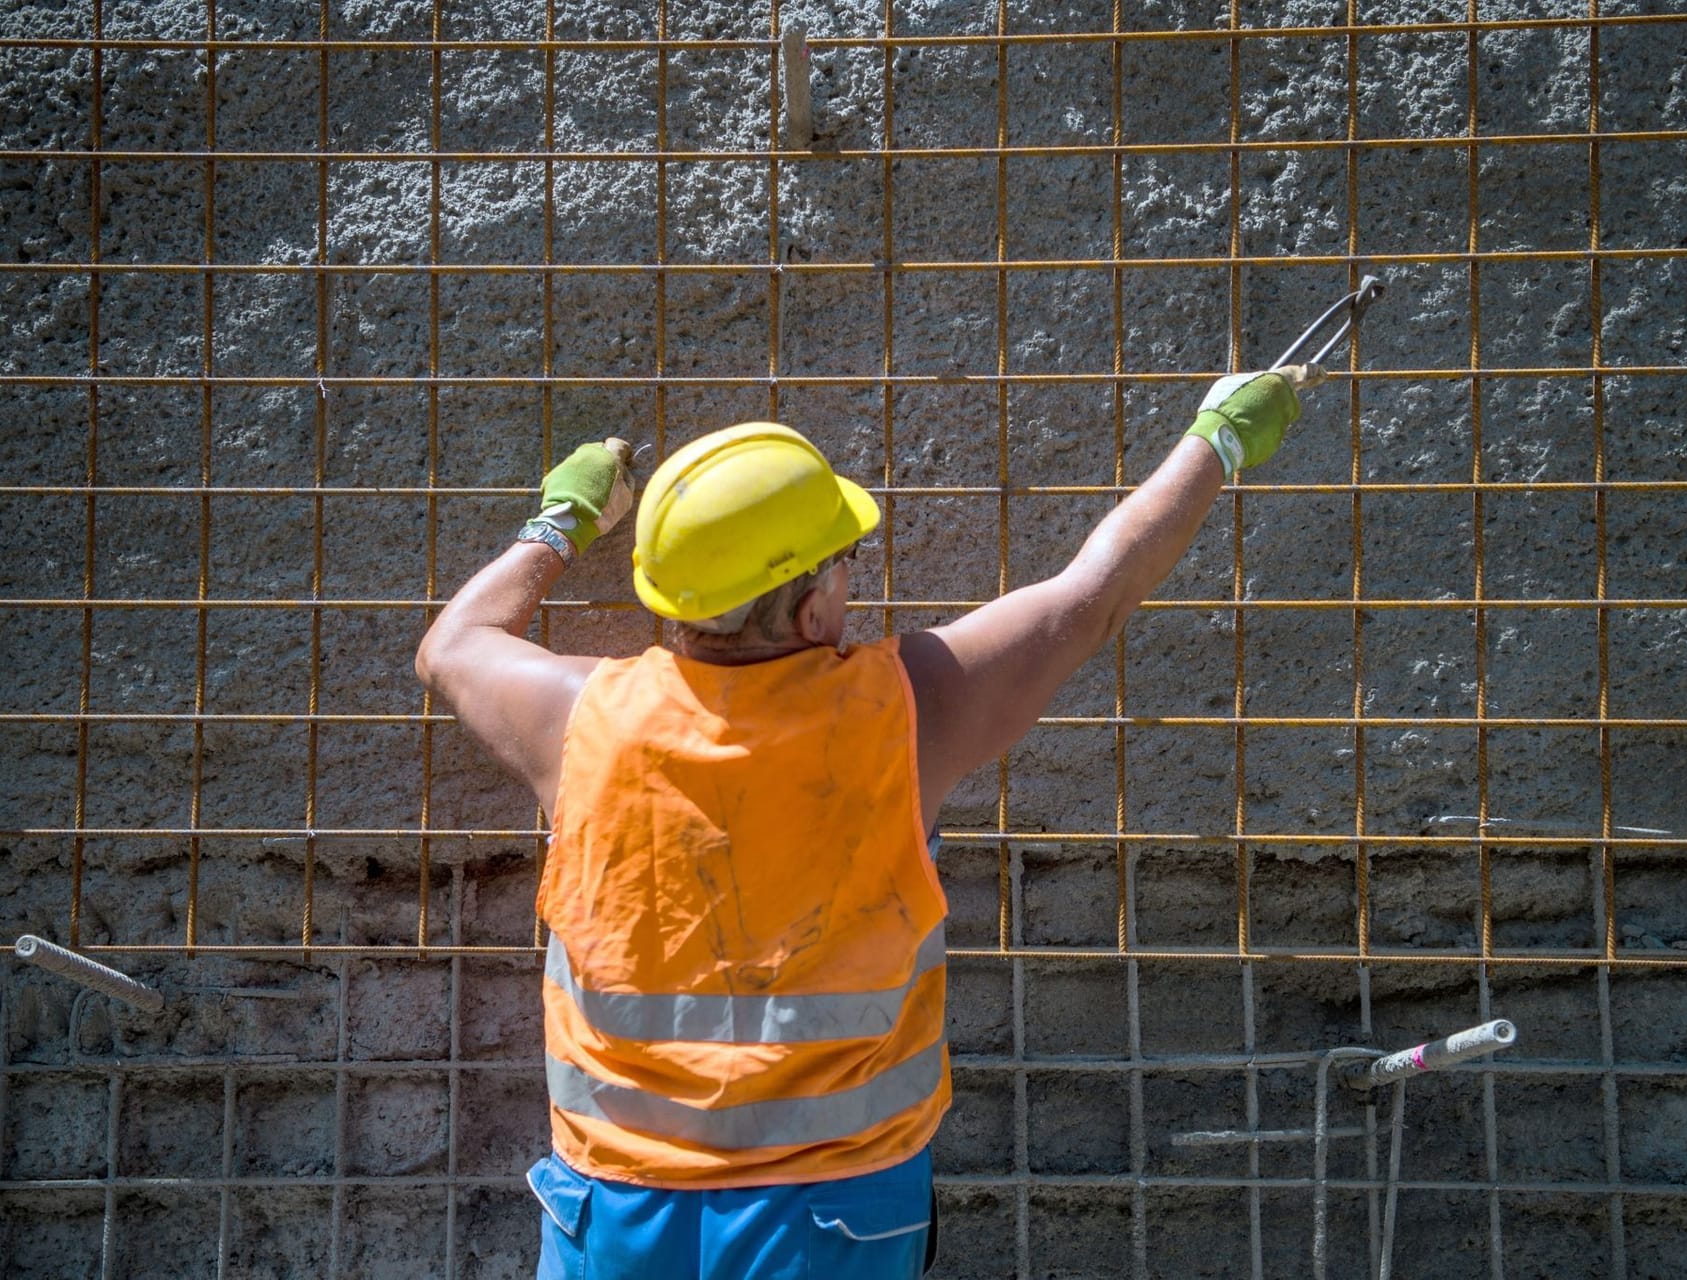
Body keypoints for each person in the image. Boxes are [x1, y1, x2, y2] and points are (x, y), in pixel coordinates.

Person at [414, 361, 1324, 1278]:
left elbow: (453, 646)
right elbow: (1095, 595)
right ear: (813, 607)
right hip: (832, 1219)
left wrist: (564, 518)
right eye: (845, 564)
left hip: (611, 1211)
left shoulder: (572, 716)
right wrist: (1219, 438)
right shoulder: (908, 710)